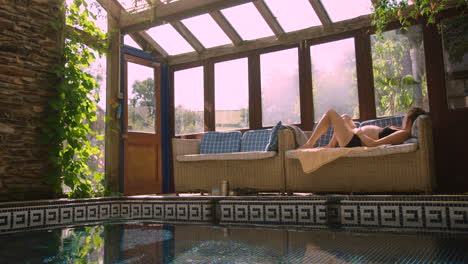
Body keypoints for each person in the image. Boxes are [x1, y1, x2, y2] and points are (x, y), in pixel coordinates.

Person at [299, 107, 426, 149]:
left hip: (355, 141)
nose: (403, 119)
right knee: (345, 117)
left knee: (331, 113)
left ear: (409, 120)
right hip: (356, 136)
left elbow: (374, 144)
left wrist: (359, 133)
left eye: (405, 117)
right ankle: (331, 145)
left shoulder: (404, 134)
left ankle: (310, 143)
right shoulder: (401, 130)